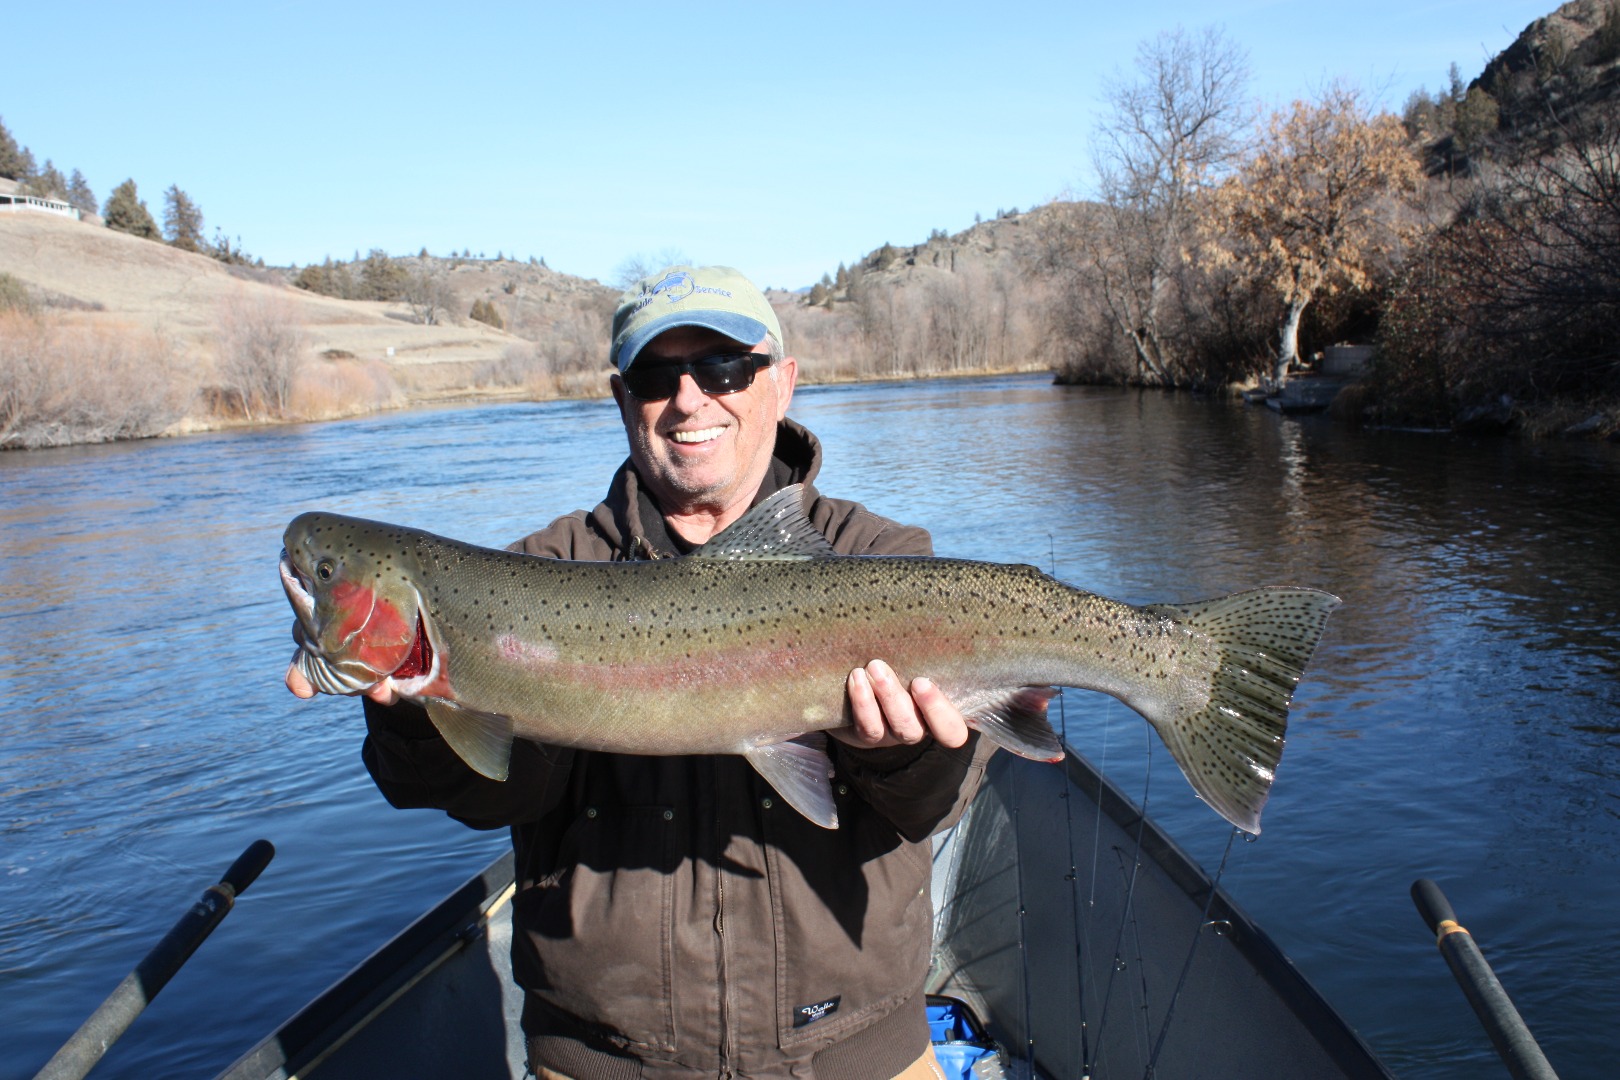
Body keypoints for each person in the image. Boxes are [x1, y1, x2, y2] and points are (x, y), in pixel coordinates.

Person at [286, 264, 996, 1079]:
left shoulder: (881, 560)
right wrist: (414, 708)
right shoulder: (541, 572)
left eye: (726, 367)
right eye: (659, 375)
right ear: (623, 398)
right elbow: (490, 797)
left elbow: (929, 804)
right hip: (604, 1061)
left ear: (783, 382)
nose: (691, 398)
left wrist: (899, 751)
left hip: (856, 1052)